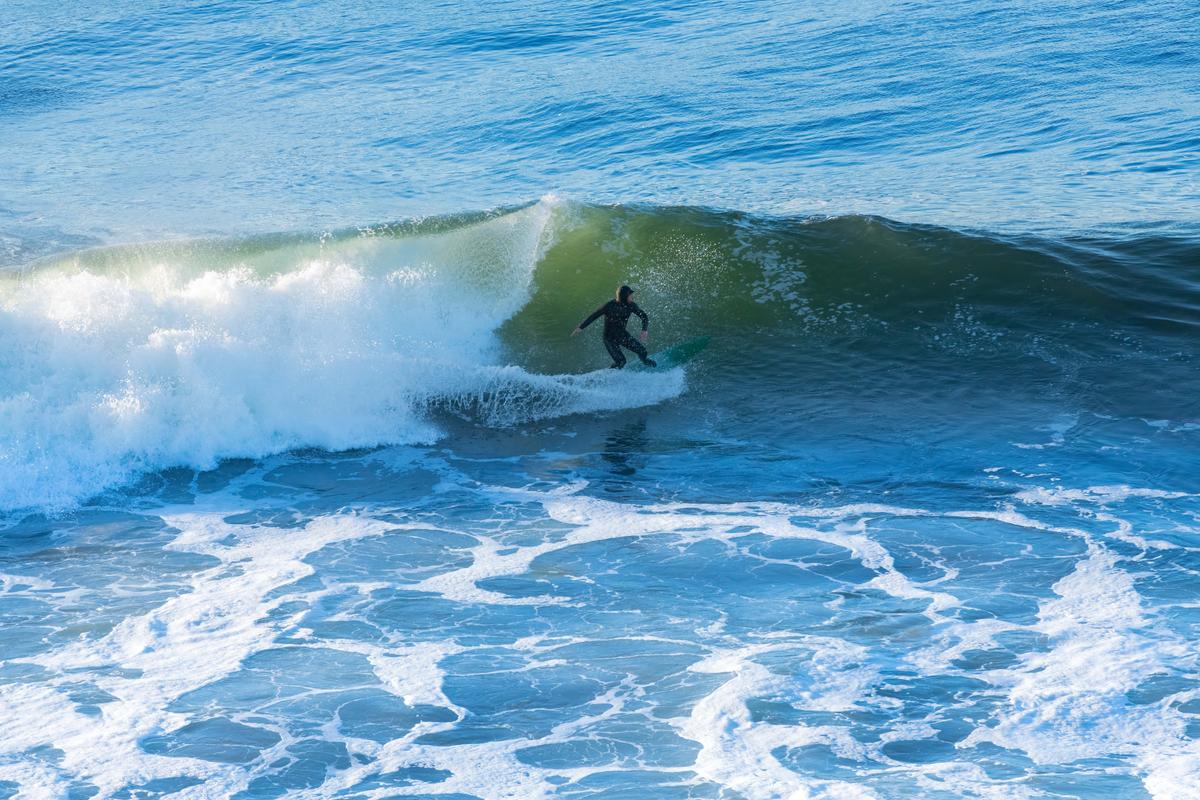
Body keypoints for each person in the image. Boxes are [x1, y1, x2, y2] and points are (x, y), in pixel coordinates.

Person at [572, 285, 656, 369]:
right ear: (624, 296)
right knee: (621, 361)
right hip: (609, 339)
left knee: (643, 351)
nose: (632, 296)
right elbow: (594, 315)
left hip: (622, 335)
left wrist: (644, 330)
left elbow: (644, 316)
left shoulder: (631, 305)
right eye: (630, 295)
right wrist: (581, 327)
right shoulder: (609, 306)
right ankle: (608, 375)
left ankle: (645, 363)